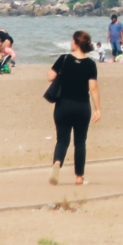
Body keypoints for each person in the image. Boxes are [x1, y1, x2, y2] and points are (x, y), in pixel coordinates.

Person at [48, 31, 101, 186]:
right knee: (80, 142)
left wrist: (62, 74)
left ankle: (57, 163)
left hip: (63, 105)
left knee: (62, 140)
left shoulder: (64, 59)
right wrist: (98, 108)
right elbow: (93, 88)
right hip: (82, 106)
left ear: (76, 43)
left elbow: (50, 77)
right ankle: (79, 177)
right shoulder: (91, 64)